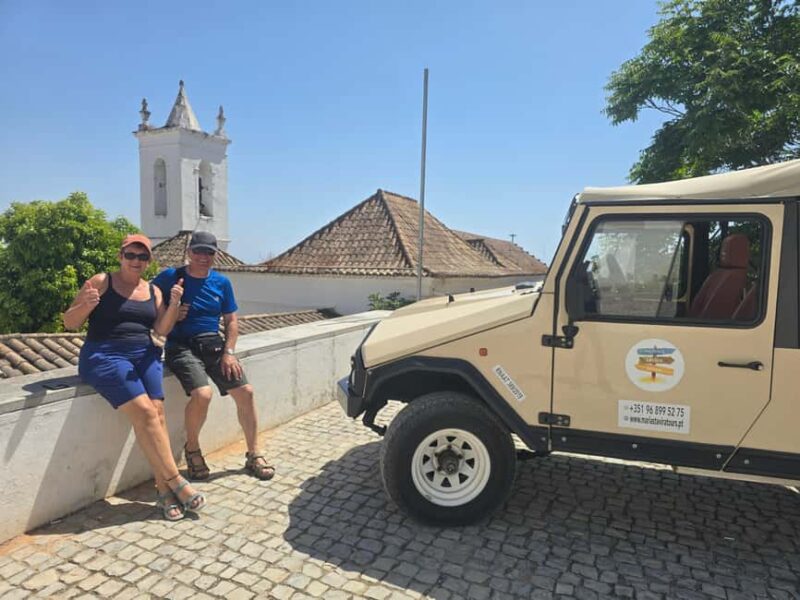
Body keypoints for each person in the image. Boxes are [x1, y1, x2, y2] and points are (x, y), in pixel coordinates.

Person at [64, 233, 205, 521]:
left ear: (148, 261)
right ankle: (176, 481)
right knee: (143, 410)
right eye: (130, 255)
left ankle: (162, 489)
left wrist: (175, 304)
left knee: (157, 413)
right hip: (105, 355)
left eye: (142, 256)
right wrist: (86, 305)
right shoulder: (102, 282)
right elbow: (70, 323)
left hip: (144, 355)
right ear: (120, 256)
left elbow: (162, 329)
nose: (136, 261)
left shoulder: (153, 291)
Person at [152, 231, 275, 481]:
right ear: (189, 253)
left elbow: (231, 320)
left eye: (208, 252)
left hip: (214, 346)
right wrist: (172, 312)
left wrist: (229, 352)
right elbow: (149, 306)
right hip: (181, 346)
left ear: (215, 255)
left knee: (246, 392)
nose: (202, 257)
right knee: (202, 394)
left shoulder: (221, 283)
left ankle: (254, 453)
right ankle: (193, 449)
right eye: (197, 251)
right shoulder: (170, 277)